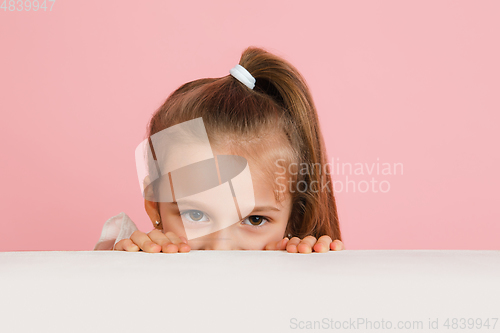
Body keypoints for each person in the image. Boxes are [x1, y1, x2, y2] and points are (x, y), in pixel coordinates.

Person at [94, 46, 345, 254]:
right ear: (154, 207)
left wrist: (314, 270)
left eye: (255, 219)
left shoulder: (302, 270)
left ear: (294, 219)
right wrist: (122, 271)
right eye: (194, 214)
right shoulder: (131, 261)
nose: (220, 249)